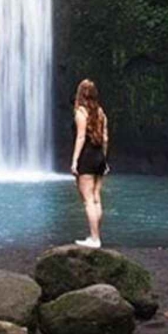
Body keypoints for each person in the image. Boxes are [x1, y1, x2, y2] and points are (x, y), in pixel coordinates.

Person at [70, 78, 110, 248]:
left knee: (88, 201)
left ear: (80, 94)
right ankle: (96, 236)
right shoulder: (101, 113)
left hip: (86, 157)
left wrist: (74, 160)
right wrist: (104, 159)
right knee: (96, 198)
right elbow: (105, 138)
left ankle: (94, 239)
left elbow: (81, 137)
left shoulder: (81, 112)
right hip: (99, 156)